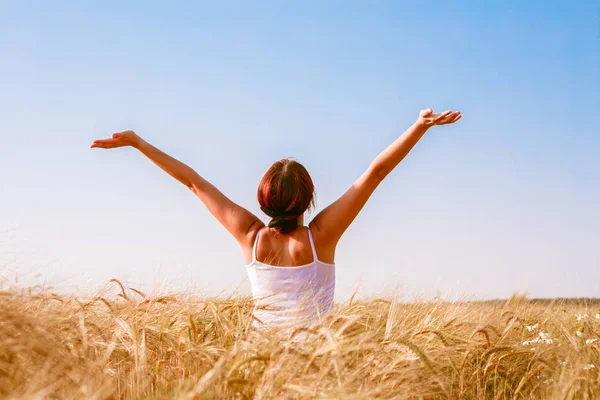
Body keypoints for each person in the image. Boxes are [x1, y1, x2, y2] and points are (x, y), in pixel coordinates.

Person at [90, 108, 462, 331]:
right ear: (308, 197)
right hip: (318, 368)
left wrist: (139, 143)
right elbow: (374, 174)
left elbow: (192, 181)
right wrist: (419, 126)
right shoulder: (322, 236)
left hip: (259, 367)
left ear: (264, 198)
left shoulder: (249, 236)